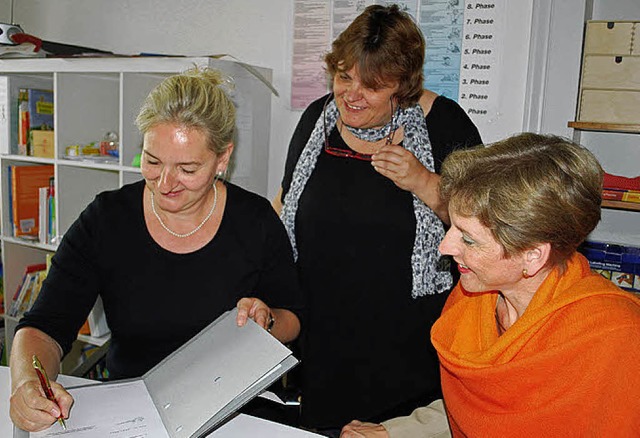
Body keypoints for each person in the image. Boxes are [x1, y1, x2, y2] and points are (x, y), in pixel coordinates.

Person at [10, 67, 303, 433]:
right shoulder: (106, 220)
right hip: (133, 413)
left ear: (222, 159)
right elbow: (43, 326)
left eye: (187, 168)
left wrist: (267, 320)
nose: (164, 184)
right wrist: (26, 385)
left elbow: (293, 318)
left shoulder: (256, 222)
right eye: (152, 161)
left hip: (236, 412)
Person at [340, 133, 640, 437]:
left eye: (468, 239)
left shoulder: (615, 337)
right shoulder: (474, 297)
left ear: (533, 255)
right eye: (452, 228)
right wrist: (395, 432)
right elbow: (475, 408)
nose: (445, 246)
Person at [273, 4, 481, 435]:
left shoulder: (446, 125)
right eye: (344, 77)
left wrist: (423, 181)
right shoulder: (316, 121)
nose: (352, 94)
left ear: (402, 87)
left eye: (372, 85)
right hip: (321, 339)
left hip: (406, 344)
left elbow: (483, 229)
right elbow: (285, 202)